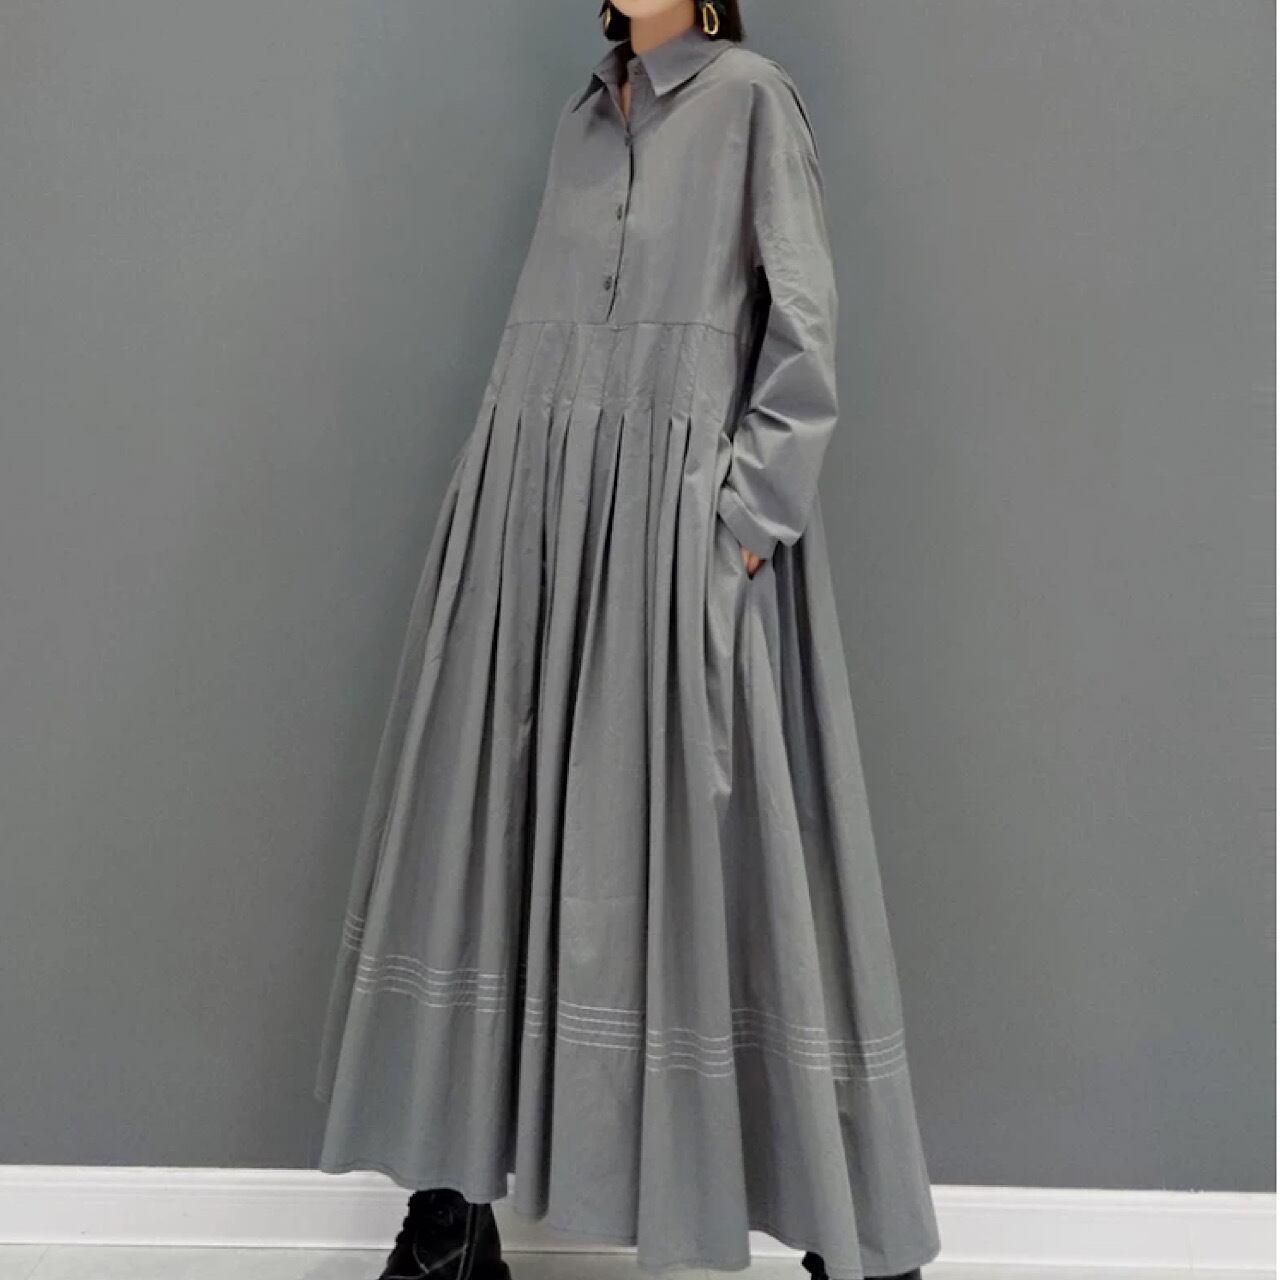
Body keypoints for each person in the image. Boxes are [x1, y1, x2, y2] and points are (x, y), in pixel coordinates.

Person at [312, 3, 942, 1277]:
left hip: (677, 537)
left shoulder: (752, 99)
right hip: (533, 533)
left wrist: (741, 530)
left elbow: (802, 331)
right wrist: (498, 514)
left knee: (745, 871)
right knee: (486, 849)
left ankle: (855, 1238)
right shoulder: (581, 124)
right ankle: (450, 1223)